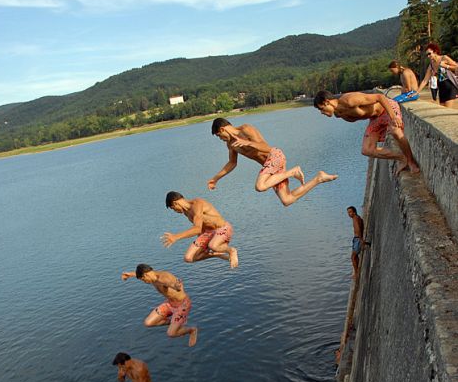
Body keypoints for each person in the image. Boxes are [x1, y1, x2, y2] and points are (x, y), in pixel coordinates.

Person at [208, 118, 337, 206]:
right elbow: (232, 163)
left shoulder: (246, 129)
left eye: (219, 136)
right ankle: (319, 178)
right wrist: (215, 179)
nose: (221, 139)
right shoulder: (231, 145)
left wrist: (248, 143)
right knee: (287, 200)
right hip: (270, 168)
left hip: (275, 156)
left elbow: (266, 148)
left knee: (260, 186)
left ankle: (293, 172)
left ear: (222, 129)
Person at [313, 90, 419, 175]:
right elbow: (359, 116)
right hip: (375, 118)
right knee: (366, 150)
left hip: (387, 109)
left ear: (327, 102)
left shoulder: (349, 100)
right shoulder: (338, 114)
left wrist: (393, 117)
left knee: (396, 131)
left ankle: (411, 162)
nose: (321, 112)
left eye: (321, 109)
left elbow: (380, 97)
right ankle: (402, 157)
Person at [121, 264, 198, 347]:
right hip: (170, 303)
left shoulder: (163, 278)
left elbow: (169, 282)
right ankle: (175, 324)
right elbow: (139, 274)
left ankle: (191, 330)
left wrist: (175, 286)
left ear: (145, 275)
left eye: (143, 280)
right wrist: (129, 274)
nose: (145, 282)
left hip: (182, 305)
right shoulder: (152, 277)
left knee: (171, 333)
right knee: (148, 323)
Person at [162, 191, 238, 268]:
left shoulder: (197, 204)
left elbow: (197, 229)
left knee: (213, 246)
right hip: (208, 232)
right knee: (188, 258)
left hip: (222, 228)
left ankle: (231, 251)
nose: (175, 211)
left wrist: (176, 237)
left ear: (175, 203)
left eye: (173, 208)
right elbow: (201, 228)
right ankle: (217, 254)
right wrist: (202, 245)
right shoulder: (186, 212)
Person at [416, 43, 458, 108]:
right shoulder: (431, 65)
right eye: (427, 55)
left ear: (435, 52)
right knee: (443, 110)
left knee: (447, 110)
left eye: (429, 54)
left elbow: (456, 67)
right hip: (441, 88)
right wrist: (416, 92)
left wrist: (446, 66)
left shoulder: (444, 58)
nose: (428, 56)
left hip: (450, 86)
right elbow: (425, 80)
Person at [347, 206, 365, 278]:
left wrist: (361, 239)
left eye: (350, 212)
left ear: (354, 212)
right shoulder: (358, 217)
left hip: (357, 239)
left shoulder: (355, 219)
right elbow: (362, 226)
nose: (349, 214)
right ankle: (357, 270)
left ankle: (356, 273)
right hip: (357, 239)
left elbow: (358, 229)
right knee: (355, 256)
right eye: (348, 212)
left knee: (353, 257)